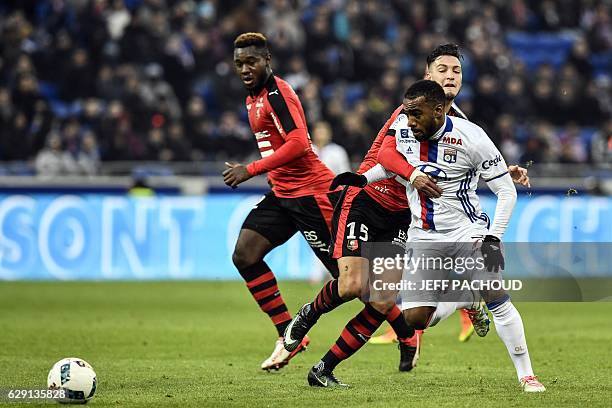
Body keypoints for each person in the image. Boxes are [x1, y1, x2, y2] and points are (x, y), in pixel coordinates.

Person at [385, 80, 545, 392]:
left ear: (438, 109)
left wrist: (493, 238)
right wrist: (360, 179)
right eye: (406, 113)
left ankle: (526, 374)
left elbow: (506, 192)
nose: (409, 120)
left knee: (494, 292)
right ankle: (462, 299)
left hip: (468, 230)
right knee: (415, 319)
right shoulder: (403, 128)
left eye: (416, 114)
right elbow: (386, 164)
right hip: (424, 235)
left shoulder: (471, 137)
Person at [368, 44, 529, 345]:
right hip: (384, 200)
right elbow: (386, 155)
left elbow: (460, 167)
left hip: (426, 212)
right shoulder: (411, 112)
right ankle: (452, 308)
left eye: (456, 71)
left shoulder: (459, 121)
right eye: (442, 70)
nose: (451, 76)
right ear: (427, 75)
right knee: (383, 290)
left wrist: (502, 171)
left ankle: (440, 317)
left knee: (411, 300)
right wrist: (412, 176)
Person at [223, 32, 341, 371]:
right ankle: (288, 334)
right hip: (283, 194)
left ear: (267, 60)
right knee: (245, 255)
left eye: (251, 62)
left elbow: (300, 143)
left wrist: (251, 170)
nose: (245, 69)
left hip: (312, 195)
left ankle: (407, 332)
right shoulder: (252, 97)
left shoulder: (278, 93)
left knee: (348, 279)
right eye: (239, 64)